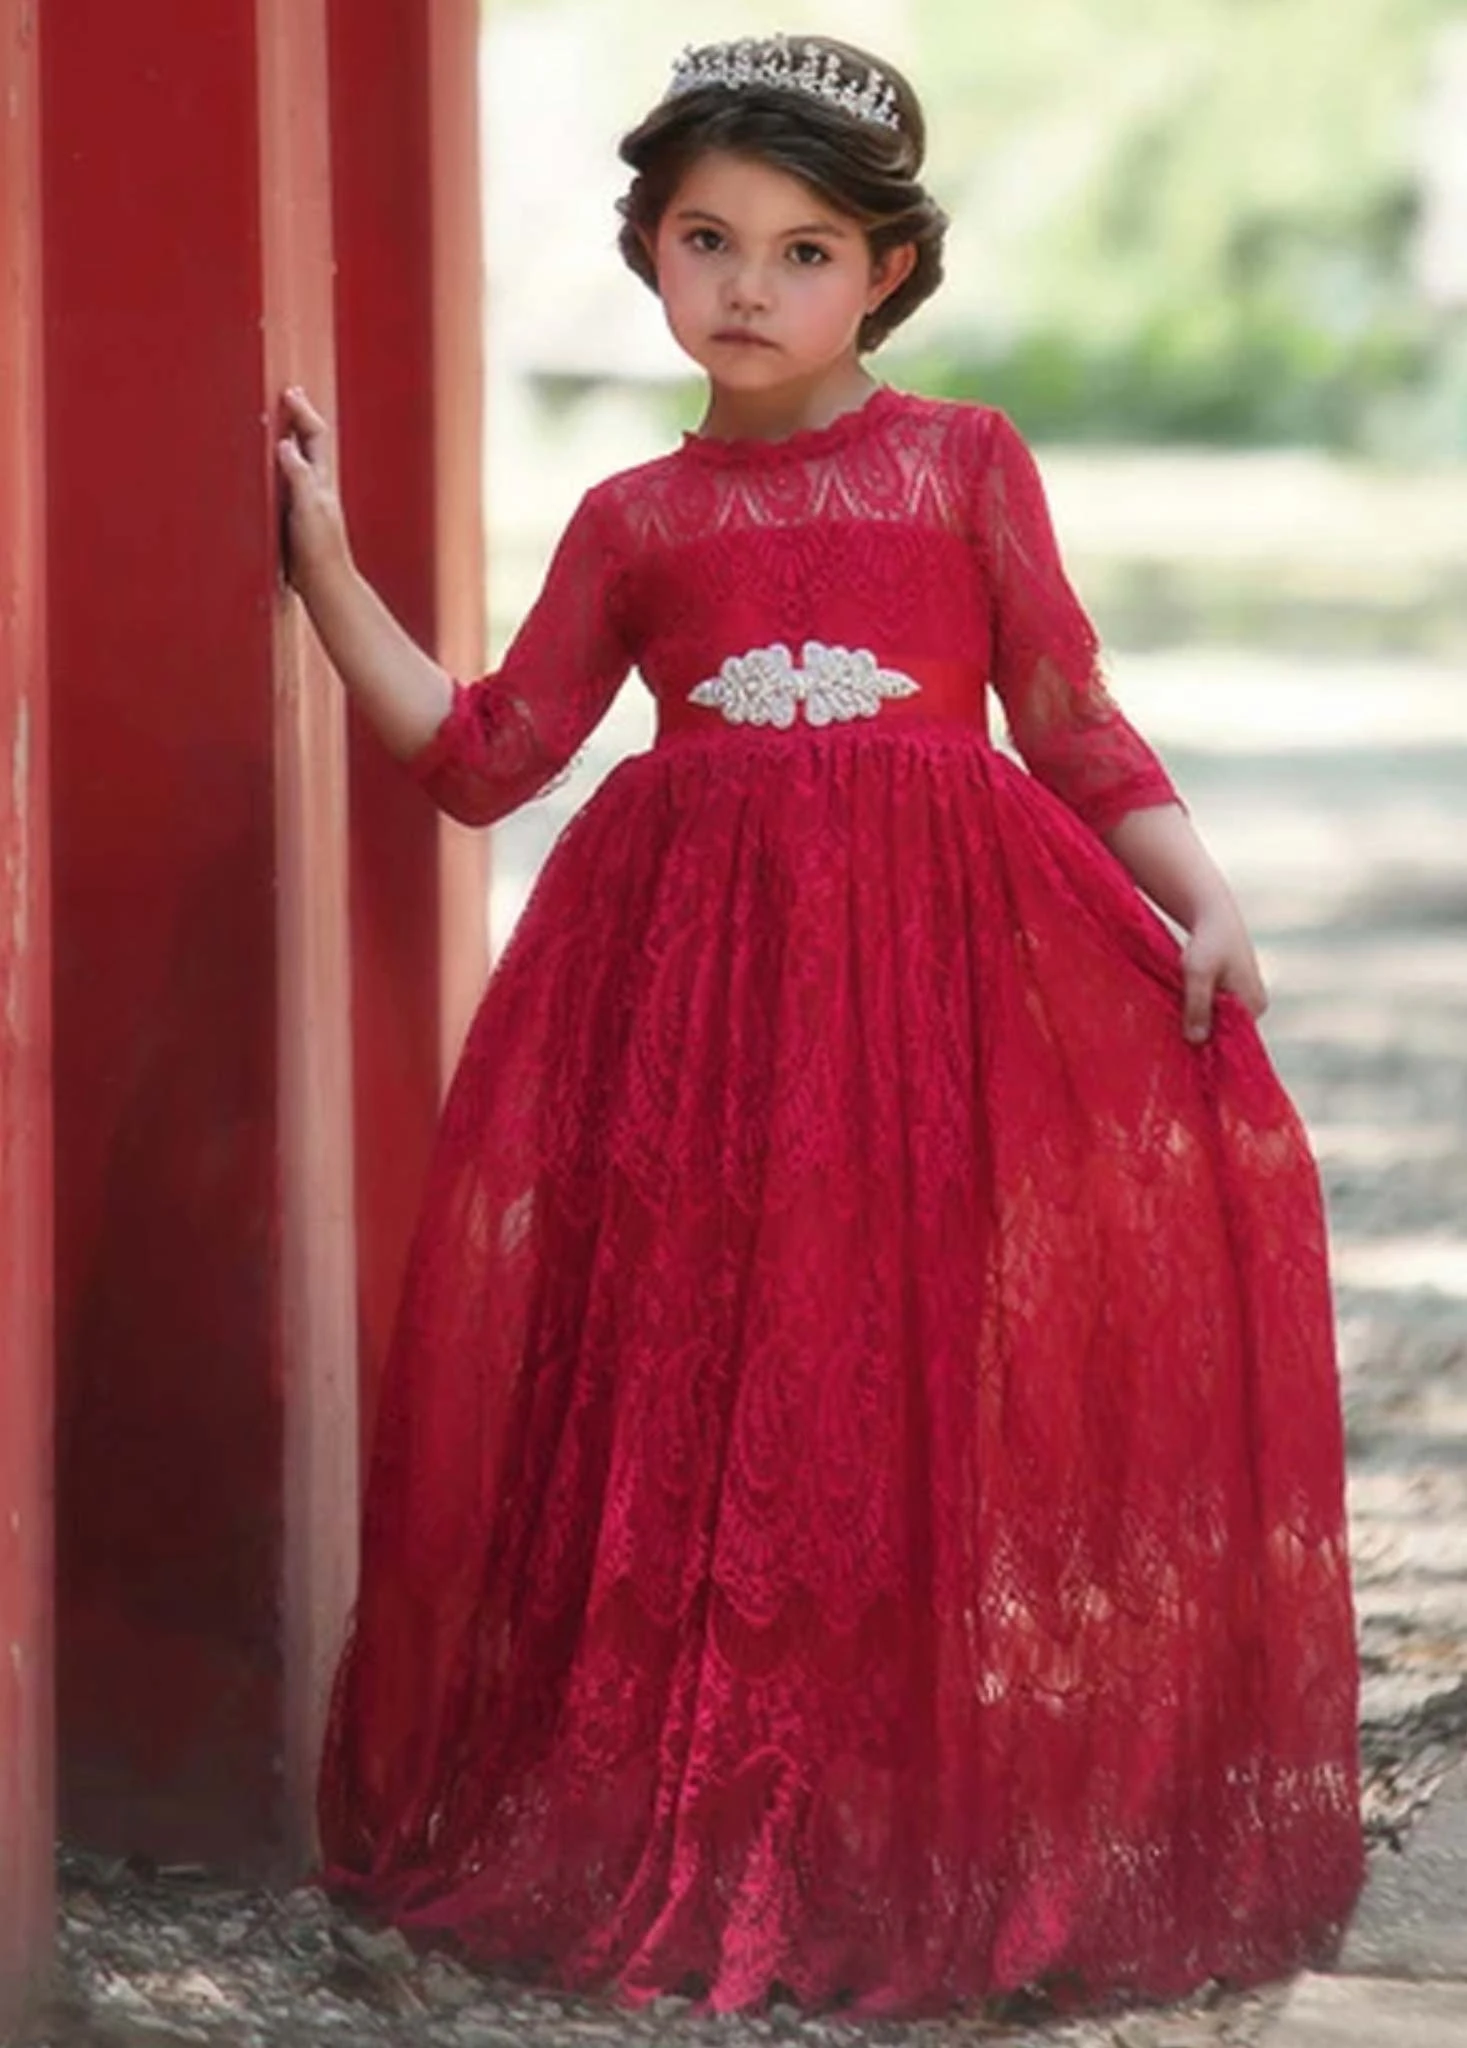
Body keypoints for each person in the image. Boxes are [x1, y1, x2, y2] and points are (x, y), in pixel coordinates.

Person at [277, 31, 1363, 2020]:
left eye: (802, 252)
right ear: (648, 250)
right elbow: (487, 756)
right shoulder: (631, 518)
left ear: (886, 272)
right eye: (707, 240)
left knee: (908, 1376)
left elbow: (1067, 715)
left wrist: (1195, 893)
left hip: (929, 989)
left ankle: (913, 1816)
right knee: (712, 1374)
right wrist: (327, 569)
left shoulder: (965, 464)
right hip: (688, 1004)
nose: (747, 288)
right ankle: (711, 1800)